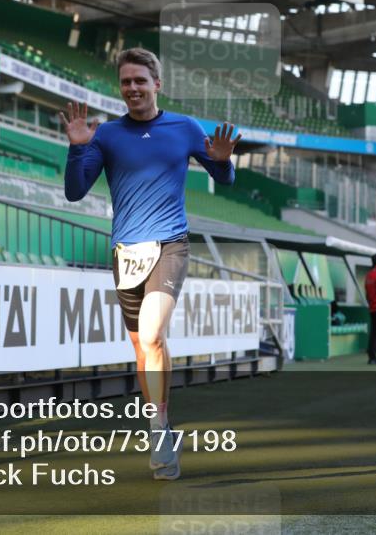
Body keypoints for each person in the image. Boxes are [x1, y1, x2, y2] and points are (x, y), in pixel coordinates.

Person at [61, 47, 241, 481]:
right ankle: (161, 422)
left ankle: (158, 429)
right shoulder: (105, 135)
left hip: (170, 246)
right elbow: (74, 192)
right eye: (126, 82)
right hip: (126, 252)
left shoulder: (183, 127)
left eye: (141, 80)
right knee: (144, 347)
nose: (133, 88)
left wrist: (221, 160)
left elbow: (224, 178)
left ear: (157, 84)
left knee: (155, 332)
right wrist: (76, 149)